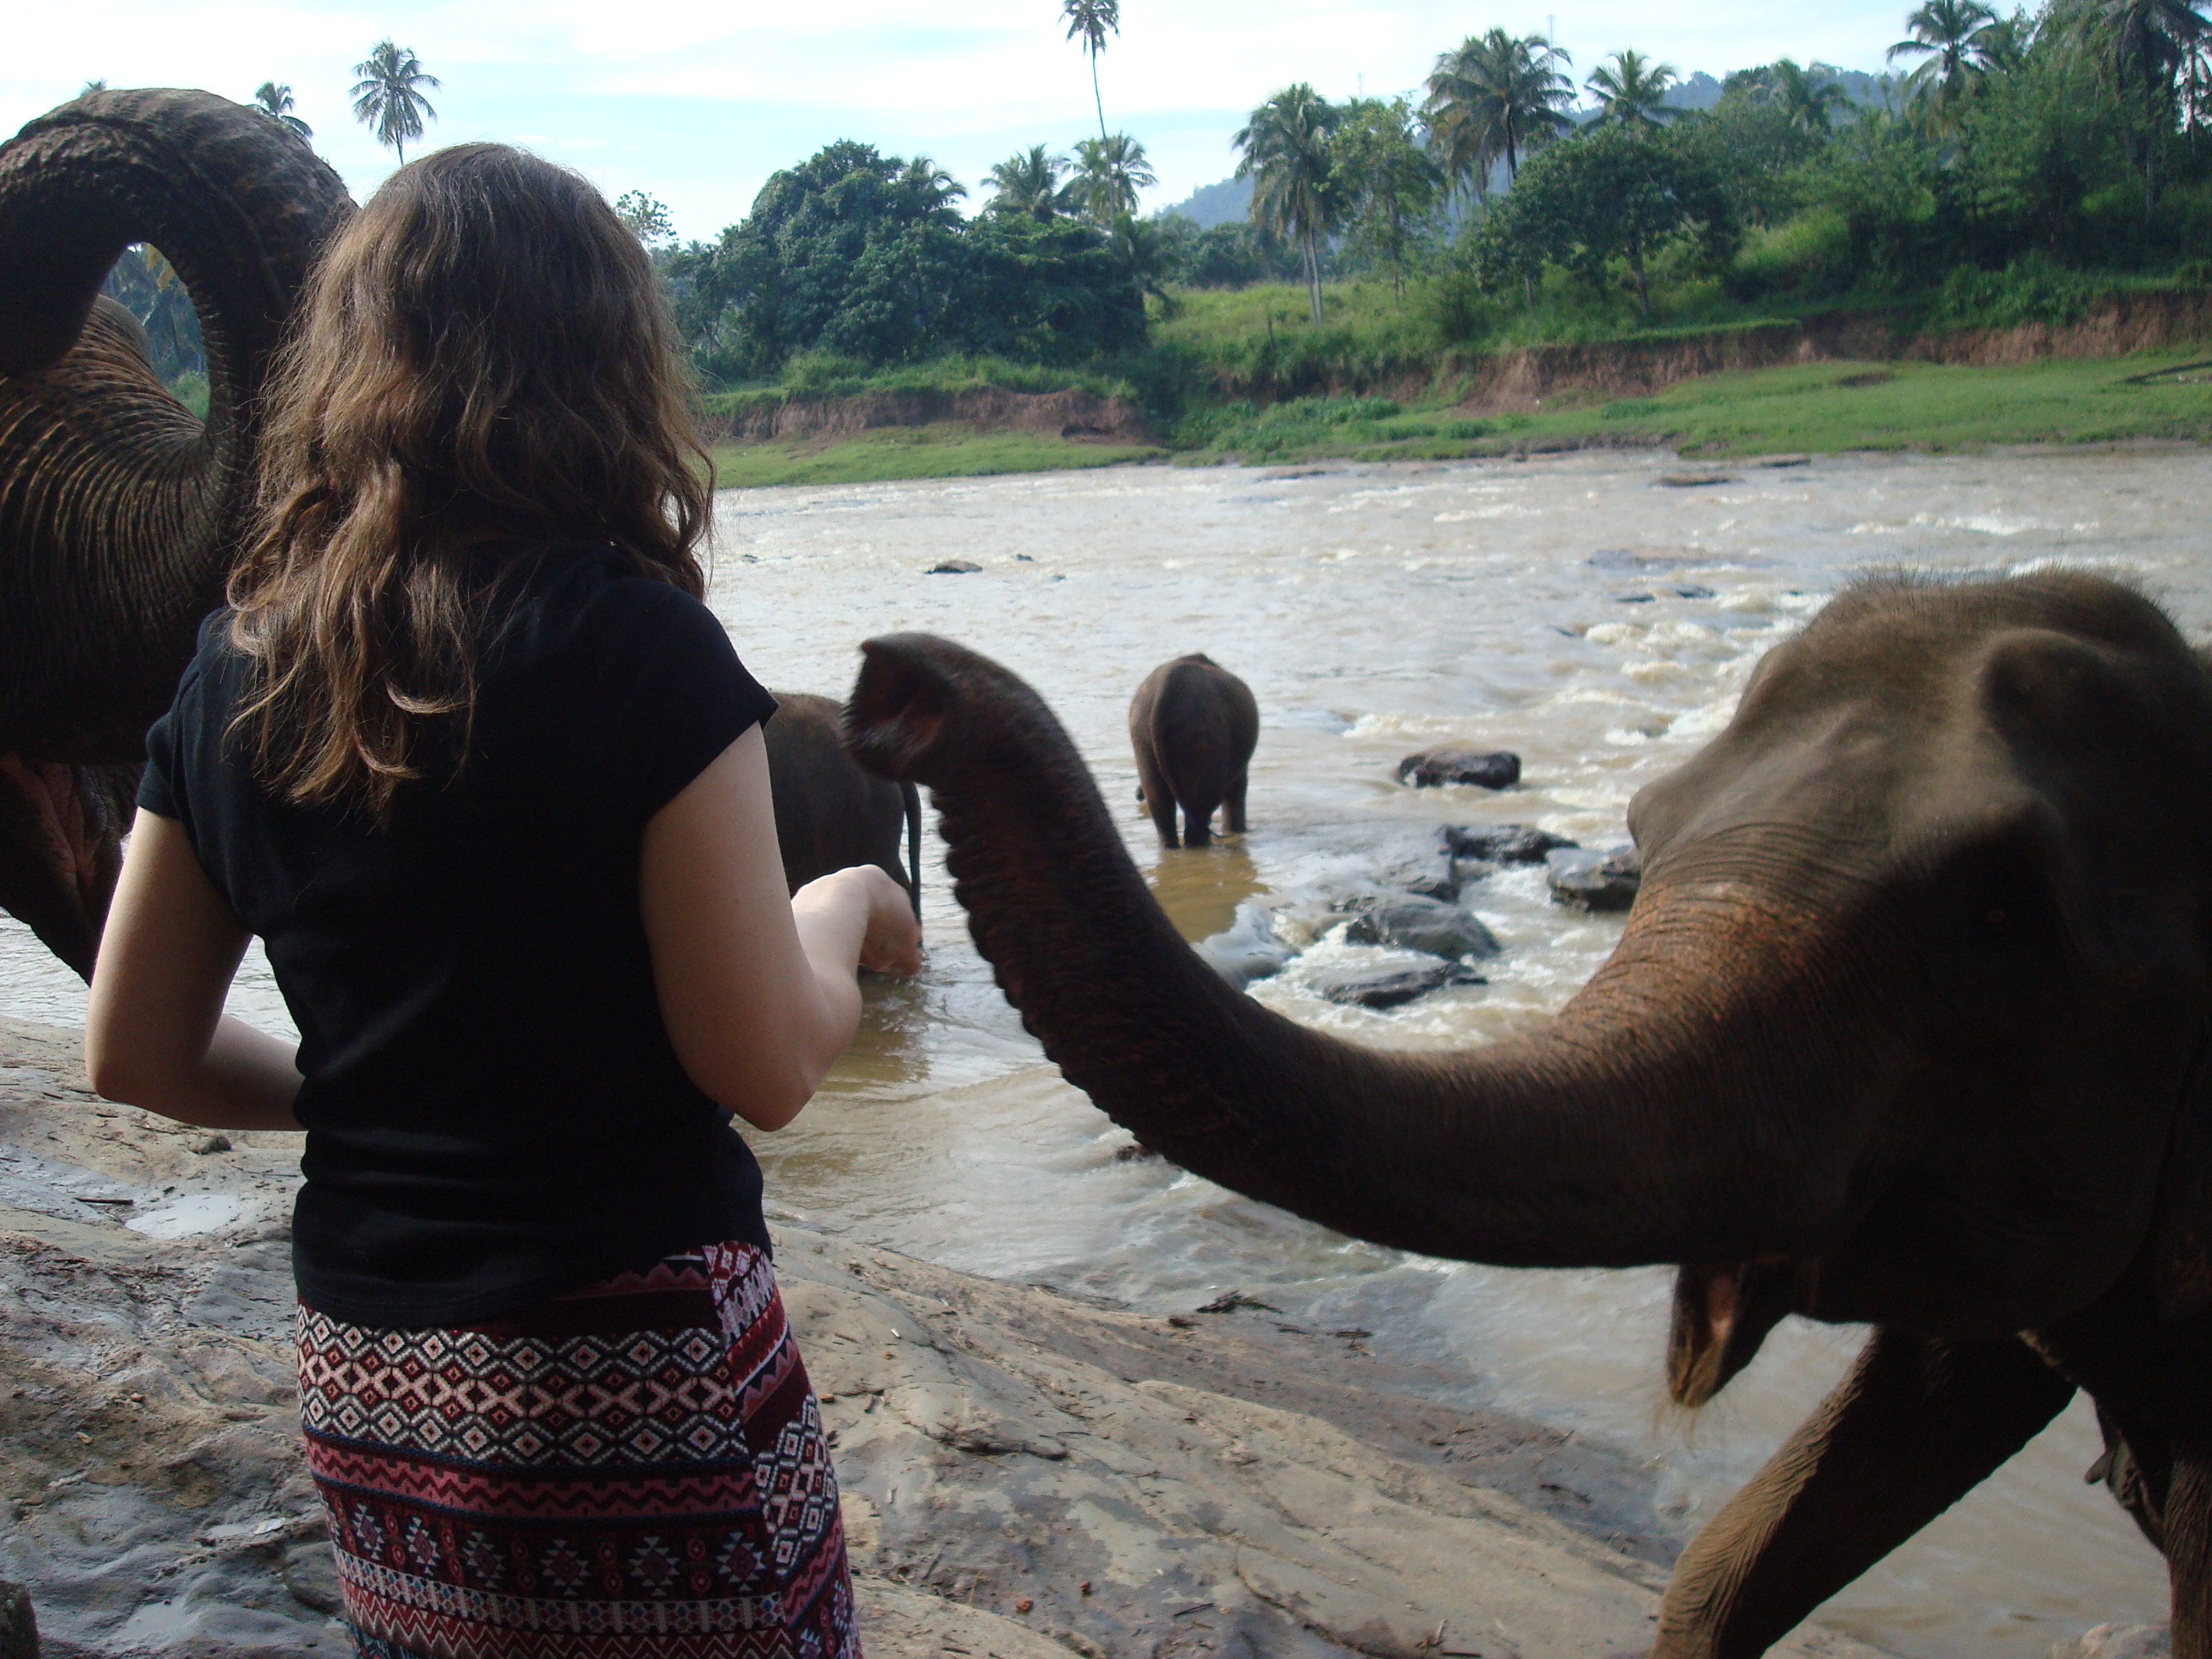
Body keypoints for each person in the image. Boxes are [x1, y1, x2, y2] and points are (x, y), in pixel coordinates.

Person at [83, 143, 920, 1659]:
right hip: (642, 1379)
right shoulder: (643, 652)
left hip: (377, 1396)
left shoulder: (227, 678)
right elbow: (767, 1065)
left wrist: (371, 1100)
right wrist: (846, 907)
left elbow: (132, 1052)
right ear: (608, 370)